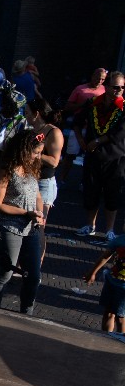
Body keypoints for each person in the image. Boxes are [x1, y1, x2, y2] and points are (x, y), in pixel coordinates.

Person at [0, 130, 46, 315]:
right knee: (6, 272)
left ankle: (27, 313)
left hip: (31, 228)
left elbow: (37, 194)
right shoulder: (6, 170)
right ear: (23, 150)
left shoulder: (32, 168)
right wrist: (25, 212)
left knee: (34, 275)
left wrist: (39, 212)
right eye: (35, 152)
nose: (38, 157)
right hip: (10, 226)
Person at [73, 71, 125, 240]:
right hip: (93, 156)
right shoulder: (93, 104)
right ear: (107, 87)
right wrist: (81, 139)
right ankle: (90, 225)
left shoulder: (123, 108)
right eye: (116, 87)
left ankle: (109, 229)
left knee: (112, 193)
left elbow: (119, 133)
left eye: (122, 87)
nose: (119, 90)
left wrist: (97, 141)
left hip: (115, 158)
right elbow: (77, 122)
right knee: (91, 191)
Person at [24, 97, 64, 227]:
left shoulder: (54, 132)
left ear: (37, 114)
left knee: (39, 225)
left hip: (44, 183)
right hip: (29, 179)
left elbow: (54, 161)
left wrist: (34, 154)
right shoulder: (30, 130)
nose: (25, 116)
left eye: (27, 113)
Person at [84, 233, 125, 333]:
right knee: (109, 312)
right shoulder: (120, 240)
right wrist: (93, 272)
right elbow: (105, 256)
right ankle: (106, 337)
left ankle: (121, 342)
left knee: (120, 317)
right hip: (112, 282)